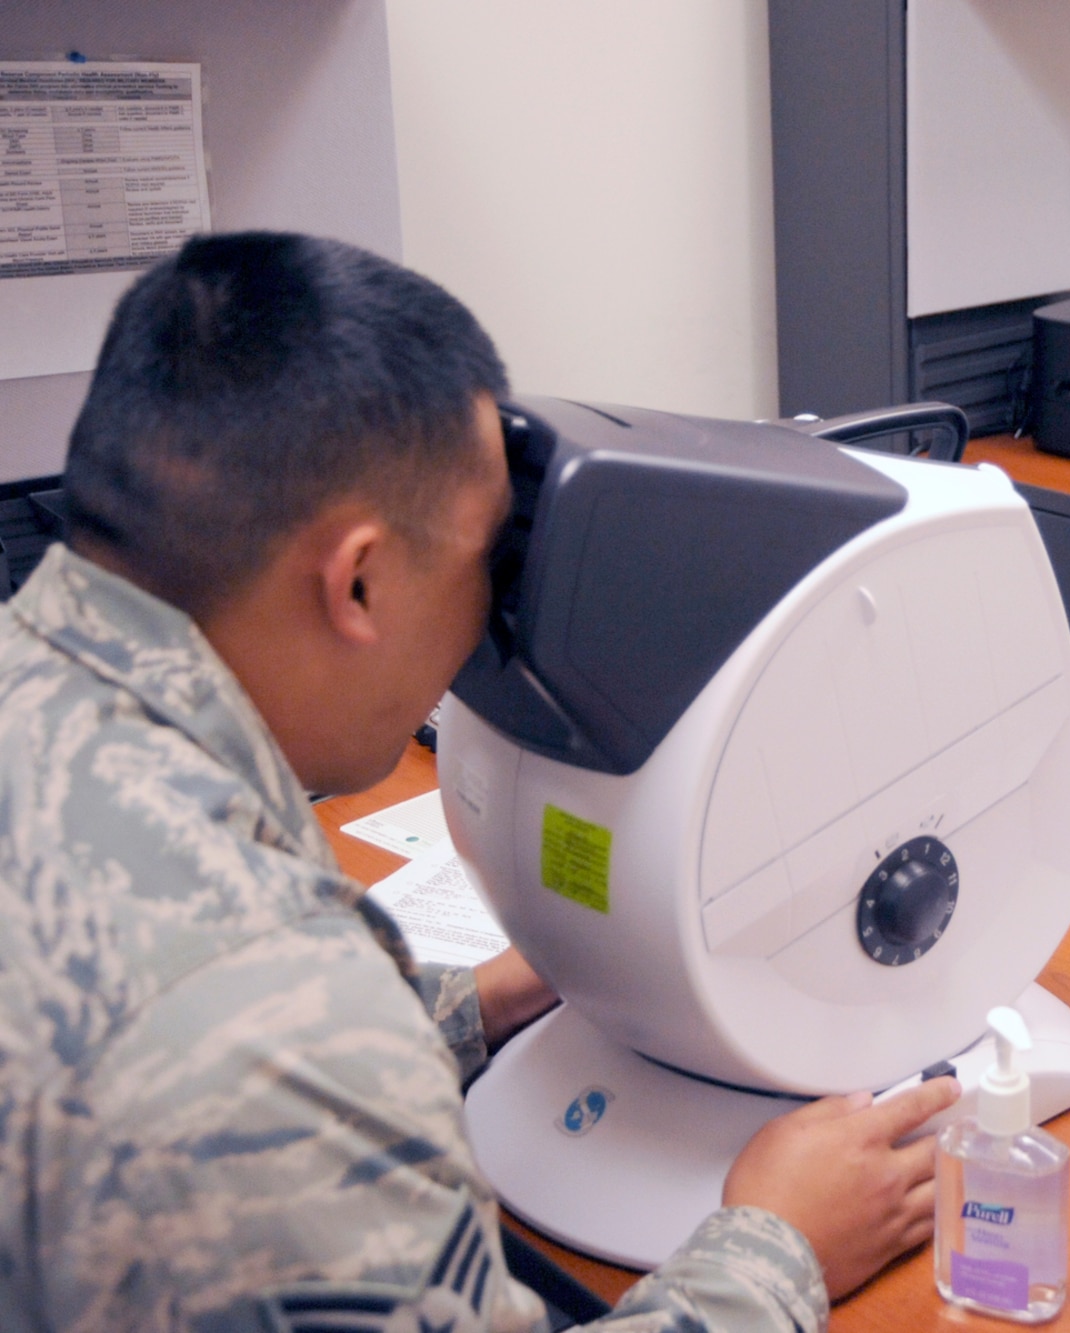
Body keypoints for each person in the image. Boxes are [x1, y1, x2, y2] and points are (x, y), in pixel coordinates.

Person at [0, 231, 959, 1332]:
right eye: (487, 564)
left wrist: (481, 1001)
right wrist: (776, 1248)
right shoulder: (275, 1027)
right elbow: (240, 1047)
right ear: (358, 581)